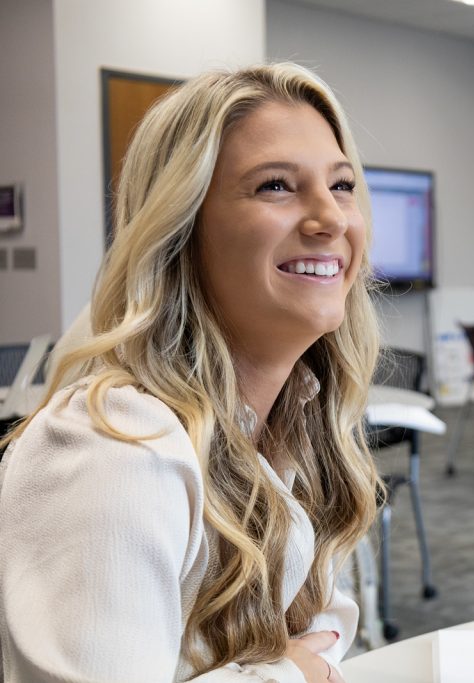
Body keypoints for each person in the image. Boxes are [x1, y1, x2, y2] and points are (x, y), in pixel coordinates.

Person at [0, 63, 381, 680]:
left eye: (341, 186)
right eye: (276, 186)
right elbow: (312, 658)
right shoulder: (113, 447)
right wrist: (291, 673)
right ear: (181, 229)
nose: (331, 220)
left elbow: (327, 624)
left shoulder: (294, 419)